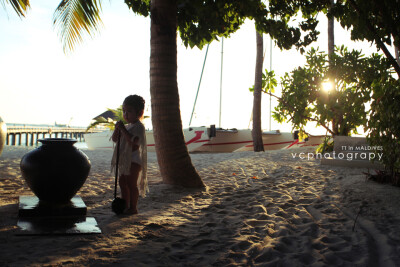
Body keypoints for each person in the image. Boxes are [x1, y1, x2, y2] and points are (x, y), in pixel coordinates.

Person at [111, 95, 148, 214]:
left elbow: (135, 143)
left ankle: (133, 207)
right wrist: (118, 129)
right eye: (124, 111)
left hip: (134, 160)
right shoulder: (126, 126)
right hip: (124, 160)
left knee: (131, 184)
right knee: (122, 183)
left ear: (140, 112)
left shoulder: (139, 127)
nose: (125, 114)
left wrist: (123, 130)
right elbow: (115, 139)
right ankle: (125, 205)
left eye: (129, 111)